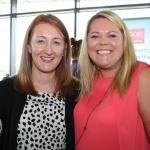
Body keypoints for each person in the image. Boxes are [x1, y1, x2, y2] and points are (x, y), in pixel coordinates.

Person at [0, 14, 79, 150]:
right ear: (29, 46)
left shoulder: (77, 91)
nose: (48, 50)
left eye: (56, 42)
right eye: (41, 41)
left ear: (64, 49)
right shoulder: (5, 90)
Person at [74, 10, 150, 150]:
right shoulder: (87, 81)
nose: (103, 42)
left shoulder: (143, 77)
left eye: (112, 35)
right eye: (95, 36)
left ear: (124, 40)